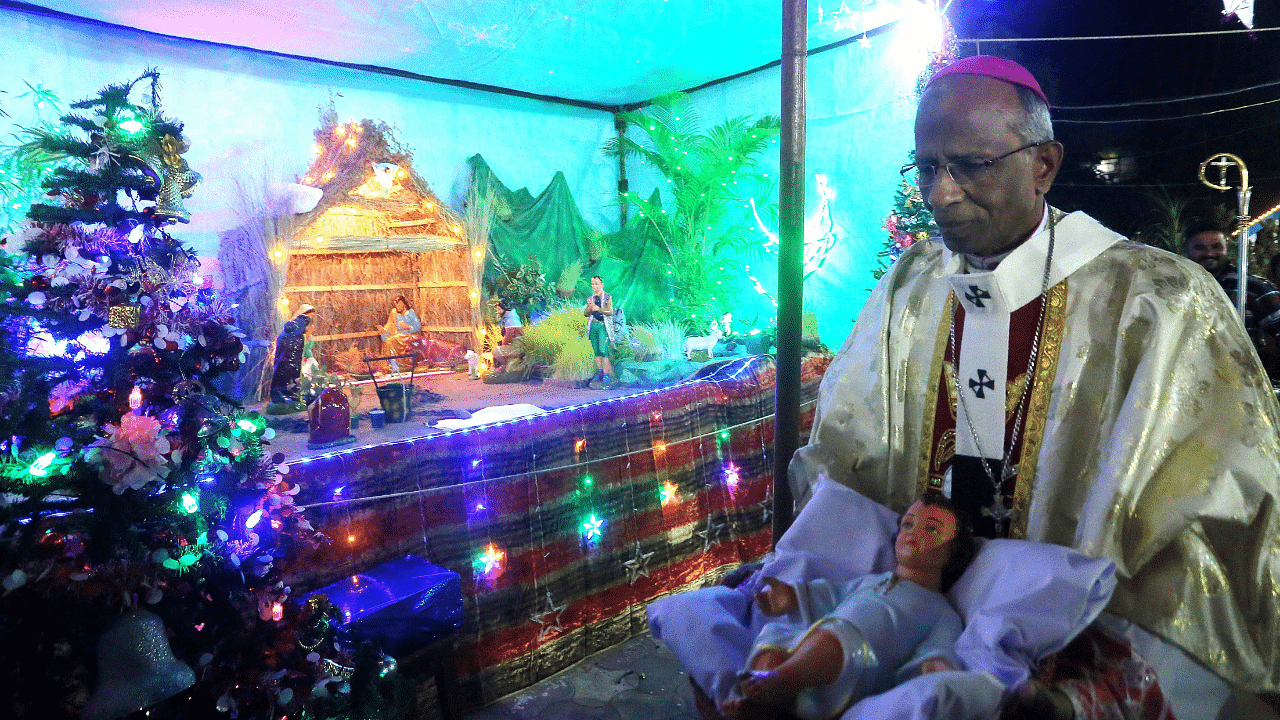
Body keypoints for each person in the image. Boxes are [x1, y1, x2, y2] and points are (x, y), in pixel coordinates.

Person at [765, 55, 1280, 719]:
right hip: (916, 583)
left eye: (971, 165)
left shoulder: (1157, 300)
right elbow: (846, 449)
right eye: (926, 167)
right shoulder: (911, 288)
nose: (940, 193)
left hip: (1090, 617)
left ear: (1044, 165)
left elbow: (1223, 499)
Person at [724, 495, 975, 720]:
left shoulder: (941, 612)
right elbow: (832, 594)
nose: (912, 533)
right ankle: (769, 703)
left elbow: (937, 652)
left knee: (840, 637)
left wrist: (935, 667)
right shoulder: (870, 581)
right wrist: (792, 597)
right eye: (907, 524)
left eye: (931, 529)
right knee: (776, 637)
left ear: (954, 552)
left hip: (859, 669)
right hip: (812, 651)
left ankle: (779, 682)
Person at [1184, 225, 1280, 381]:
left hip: (1244, 382)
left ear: (1226, 248)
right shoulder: (1178, 289)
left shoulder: (1254, 287)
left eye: (1216, 247)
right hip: (1192, 380)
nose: (1209, 253)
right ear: (1187, 251)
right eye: (1200, 248)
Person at [269, 303, 316, 404]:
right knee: (284, 376)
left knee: (291, 376)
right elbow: (294, 352)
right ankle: (282, 394)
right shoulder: (294, 333)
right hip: (289, 361)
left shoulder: (295, 333)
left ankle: (292, 393)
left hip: (293, 361)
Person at [583, 275, 616, 388]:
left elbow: (610, 311)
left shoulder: (607, 297)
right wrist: (589, 308)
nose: (594, 286)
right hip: (593, 325)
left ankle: (606, 373)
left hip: (602, 326)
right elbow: (586, 314)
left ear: (601, 284)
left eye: (596, 283)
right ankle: (600, 371)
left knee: (603, 349)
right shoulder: (590, 298)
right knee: (596, 350)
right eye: (592, 284)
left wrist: (598, 309)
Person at [380, 295, 420, 372]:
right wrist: (384, 331)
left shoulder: (410, 313)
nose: (397, 307)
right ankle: (392, 364)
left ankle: (400, 364)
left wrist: (408, 326)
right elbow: (390, 326)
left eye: (399, 305)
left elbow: (418, 327)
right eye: (395, 305)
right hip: (398, 335)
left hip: (408, 335)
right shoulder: (395, 314)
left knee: (391, 340)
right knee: (389, 340)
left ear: (404, 304)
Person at [492, 299, 524, 373]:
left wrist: (502, 348)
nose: (498, 312)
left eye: (499, 309)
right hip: (515, 344)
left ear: (505, 309)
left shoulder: (511, 320)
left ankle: (504, 365)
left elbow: (508, 337)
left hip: (517, 346)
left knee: (495, 351)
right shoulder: (510, 318)